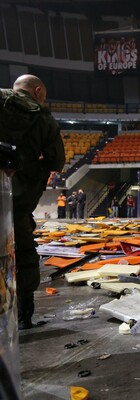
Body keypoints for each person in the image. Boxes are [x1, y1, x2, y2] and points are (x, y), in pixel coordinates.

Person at [4, 75, 65, 329]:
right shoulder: (43, 118)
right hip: (16, 202)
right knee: (22, 256)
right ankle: (22, 317)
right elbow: (56, 162)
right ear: (38, 91)